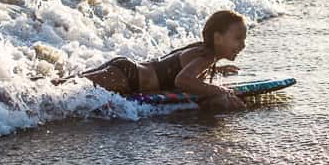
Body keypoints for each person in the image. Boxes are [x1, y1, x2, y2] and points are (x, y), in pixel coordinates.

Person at [71, 10, 247, 109]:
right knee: (65, 91)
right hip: (128, 78)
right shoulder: (207, 56)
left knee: (67, 85)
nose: (243, 45)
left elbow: (178, 65)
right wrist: (220, 91)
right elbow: (182, 80)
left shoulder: (201, 51)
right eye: (238, 38)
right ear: (218, 38)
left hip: (126, 70)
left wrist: (218, 70)